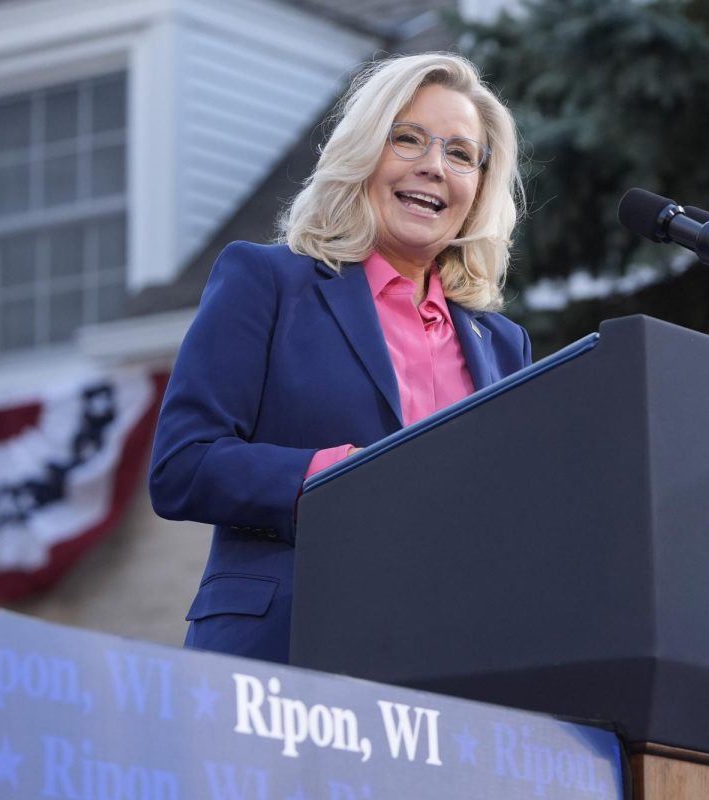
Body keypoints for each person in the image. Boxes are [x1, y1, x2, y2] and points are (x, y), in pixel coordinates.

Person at [149, 53, 531, 664]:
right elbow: (182, 466)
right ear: (362, 155)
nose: (434, 167)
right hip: (282, 654)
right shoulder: (267, 282)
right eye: (407, 140)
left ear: (481, 187)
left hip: (453, 670)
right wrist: (334, 478)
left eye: (461, 154)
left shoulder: (504, 345)